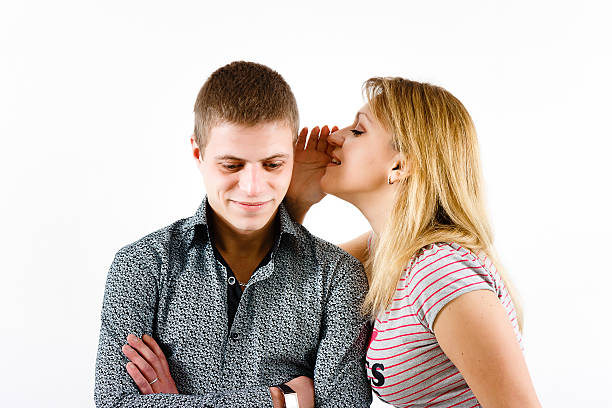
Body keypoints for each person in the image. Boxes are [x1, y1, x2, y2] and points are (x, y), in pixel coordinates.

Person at [94, 61, 372, 408]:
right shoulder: (141, 265)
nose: (253, 187)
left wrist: (174, 403)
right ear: (198, 153)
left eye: (273, 164)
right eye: (232, 165)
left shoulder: (338, 276)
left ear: (291, 155)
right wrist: (279, 400)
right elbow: (116, 403)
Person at [286, 77, 542, 407]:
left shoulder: (439, 271)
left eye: (358, 131)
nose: (334, 136)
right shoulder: (384, 250)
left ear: (399, 165)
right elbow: (281, 301)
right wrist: (295, 200)